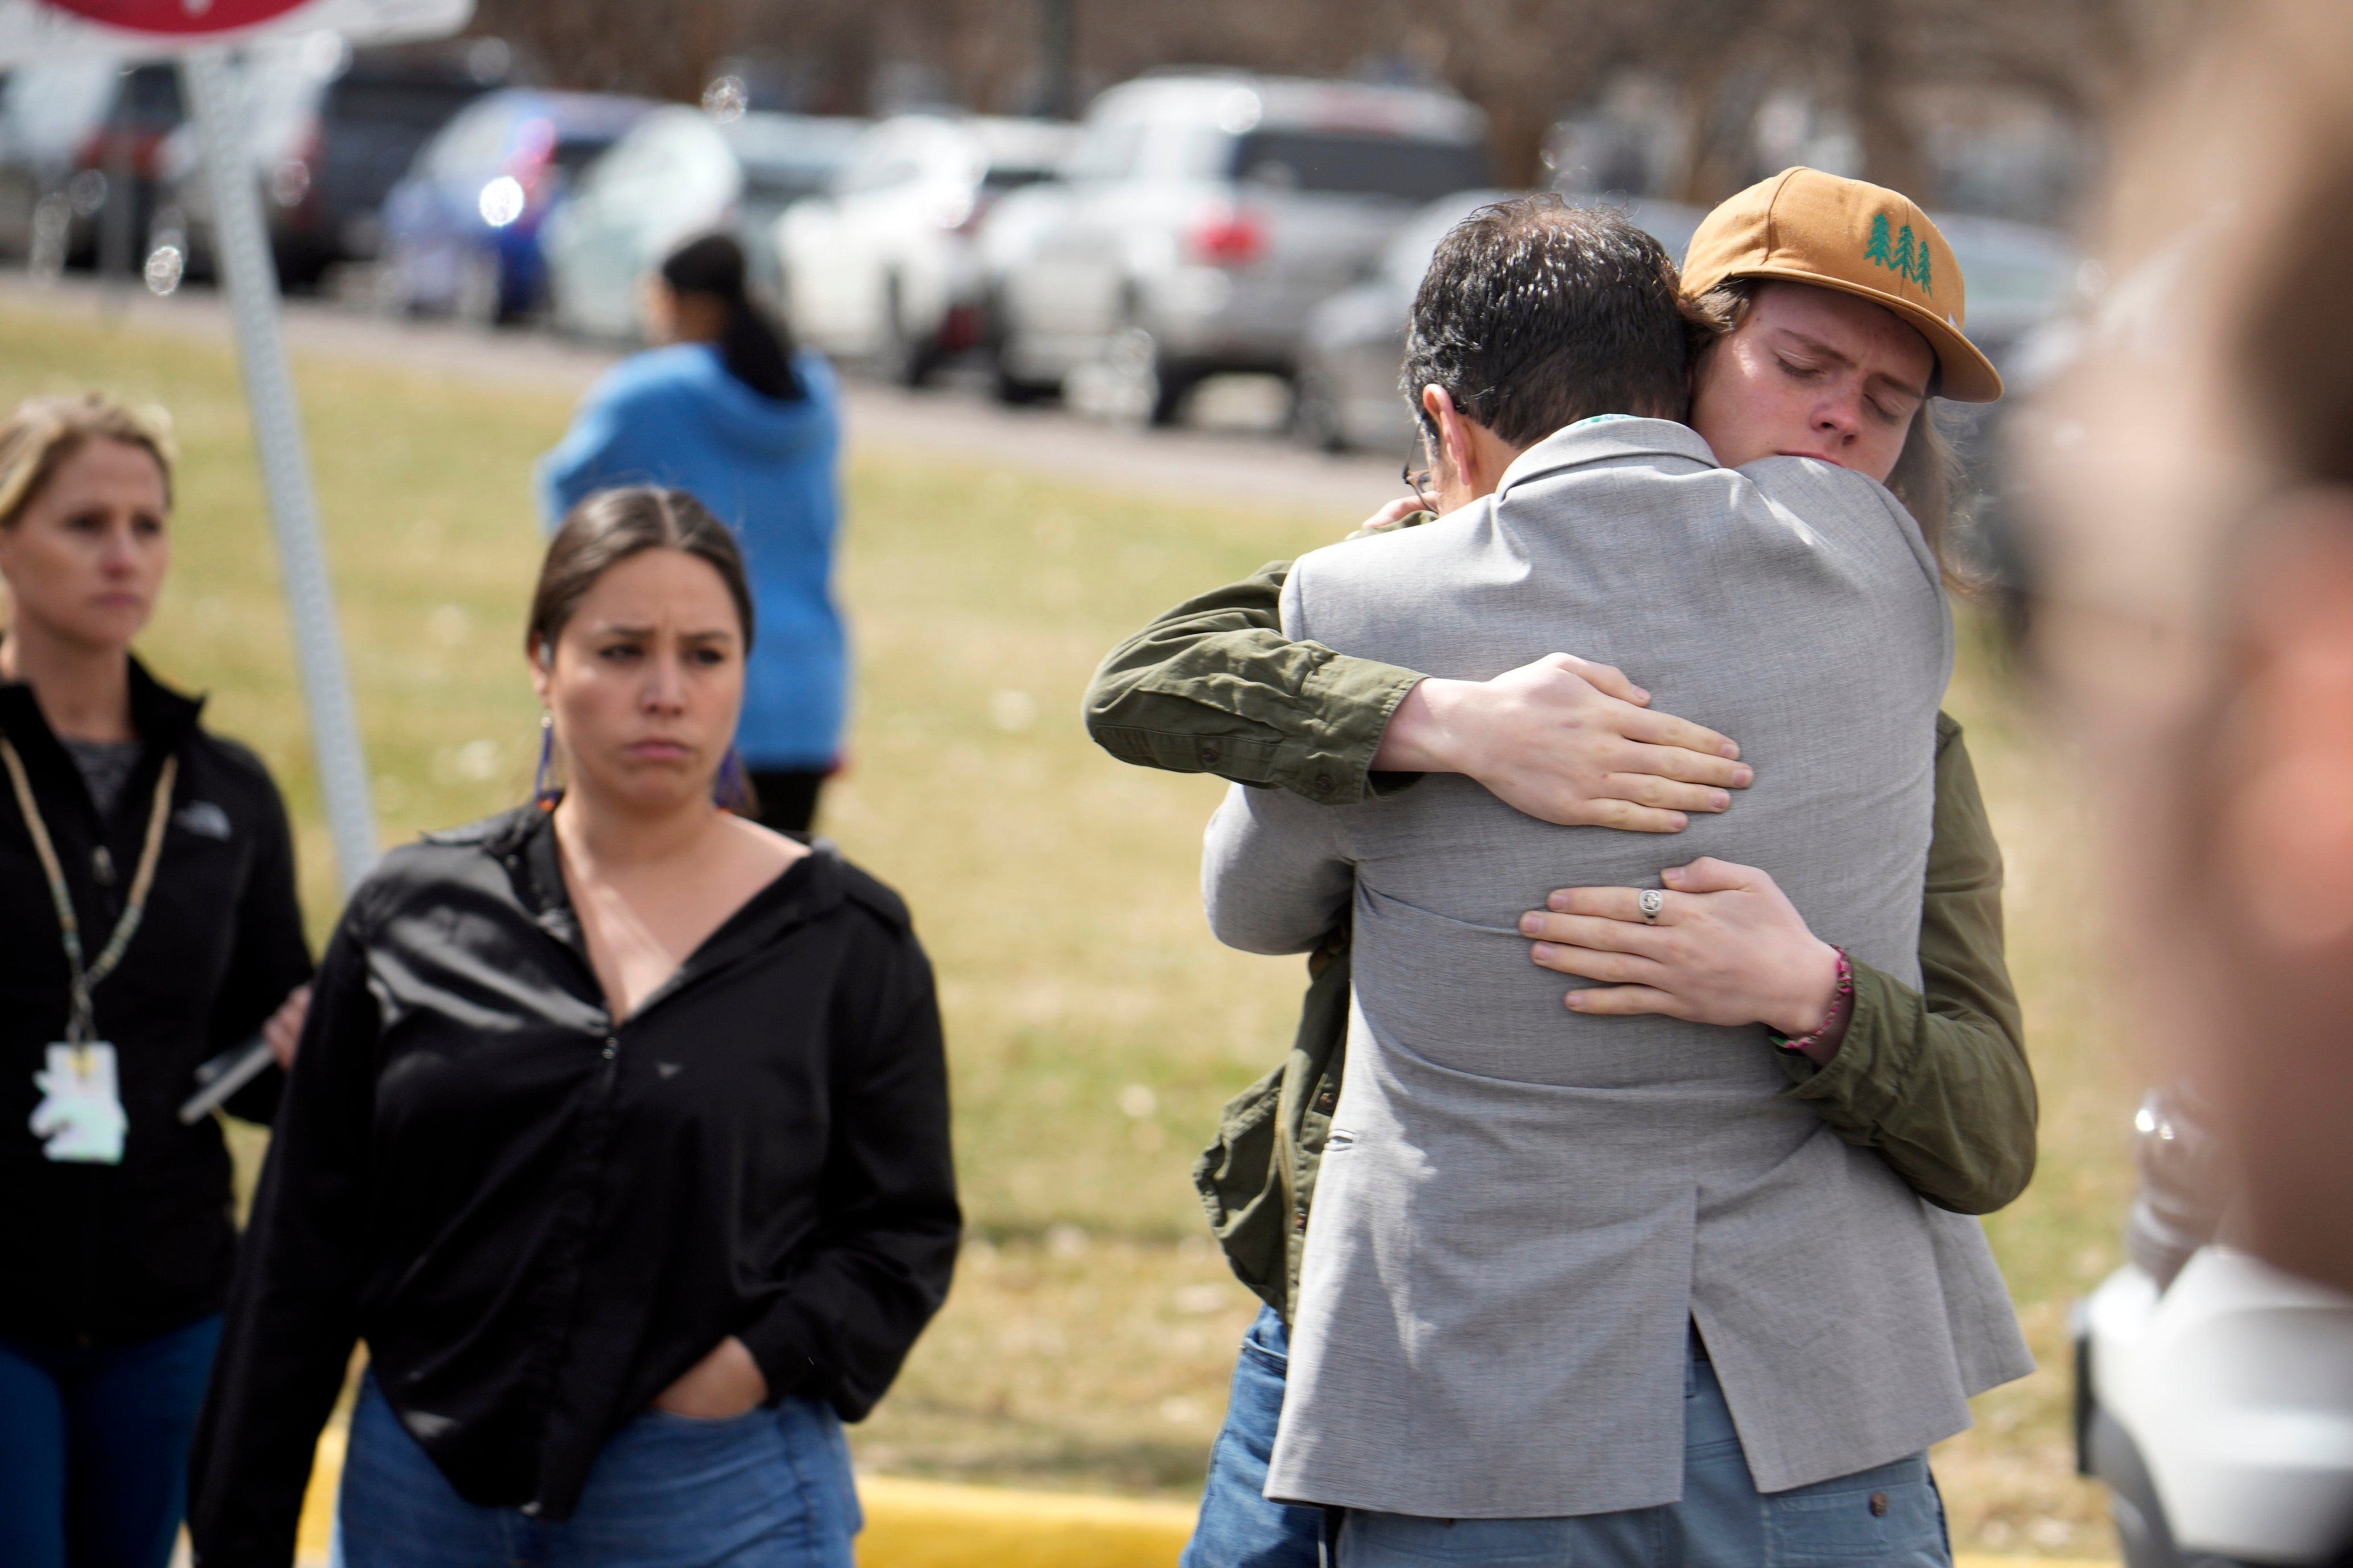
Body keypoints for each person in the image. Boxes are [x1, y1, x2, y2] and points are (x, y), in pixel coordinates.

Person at [1093, 180, 2036, 1568]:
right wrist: (1439, 719)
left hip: (1659, 1392)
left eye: (1886, 403)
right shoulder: (1399, 600)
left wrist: (1811, 992)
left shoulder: (1886, 671)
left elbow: (1987, 1126)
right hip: (1408, 1327)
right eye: (1799, 366)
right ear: (1673, 362)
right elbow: (1162, 681)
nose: (1840, 420)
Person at [186, 487, 959, 1568]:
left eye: (704, 654)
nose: (665, 693)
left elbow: (903, 1231)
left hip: (711, 1486)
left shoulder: (846, 938)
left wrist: (740, 1369)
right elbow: (303, 1250)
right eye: (620, 650)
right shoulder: (411, 914)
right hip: (425, 1486)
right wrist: (240, 1527)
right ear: (543, 664)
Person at [0, 394, 313, 1568]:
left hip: (168, 1299)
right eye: (86, 522)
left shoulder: (224, 787)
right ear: (6, 538)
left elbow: (262, 1070)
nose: (125, 553)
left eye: (148, 523)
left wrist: (302, 1043)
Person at [537, 233, 847, 833]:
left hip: (683, 694)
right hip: (809, 687)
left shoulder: (644, 393)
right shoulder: (815, 390)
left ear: (684, 303)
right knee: (783, 910)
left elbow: (570, 521)